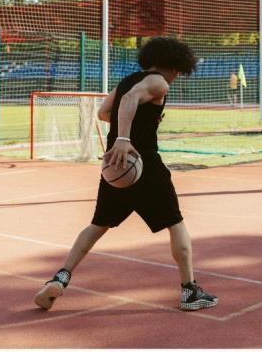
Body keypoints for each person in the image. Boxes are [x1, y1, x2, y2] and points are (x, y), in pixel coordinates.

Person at [34, 37, 218, 312]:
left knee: (97, 225)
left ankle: (61, 276)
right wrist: (124, 137)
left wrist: (138, 122)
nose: (178, 76)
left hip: (115, 168)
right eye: (179, 70)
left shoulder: (126, 81)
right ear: (173, 64)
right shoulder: (159, 82)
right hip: (142, 162)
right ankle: (189, 291)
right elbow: (132, 100)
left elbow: (103, 112)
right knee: (175, 224)